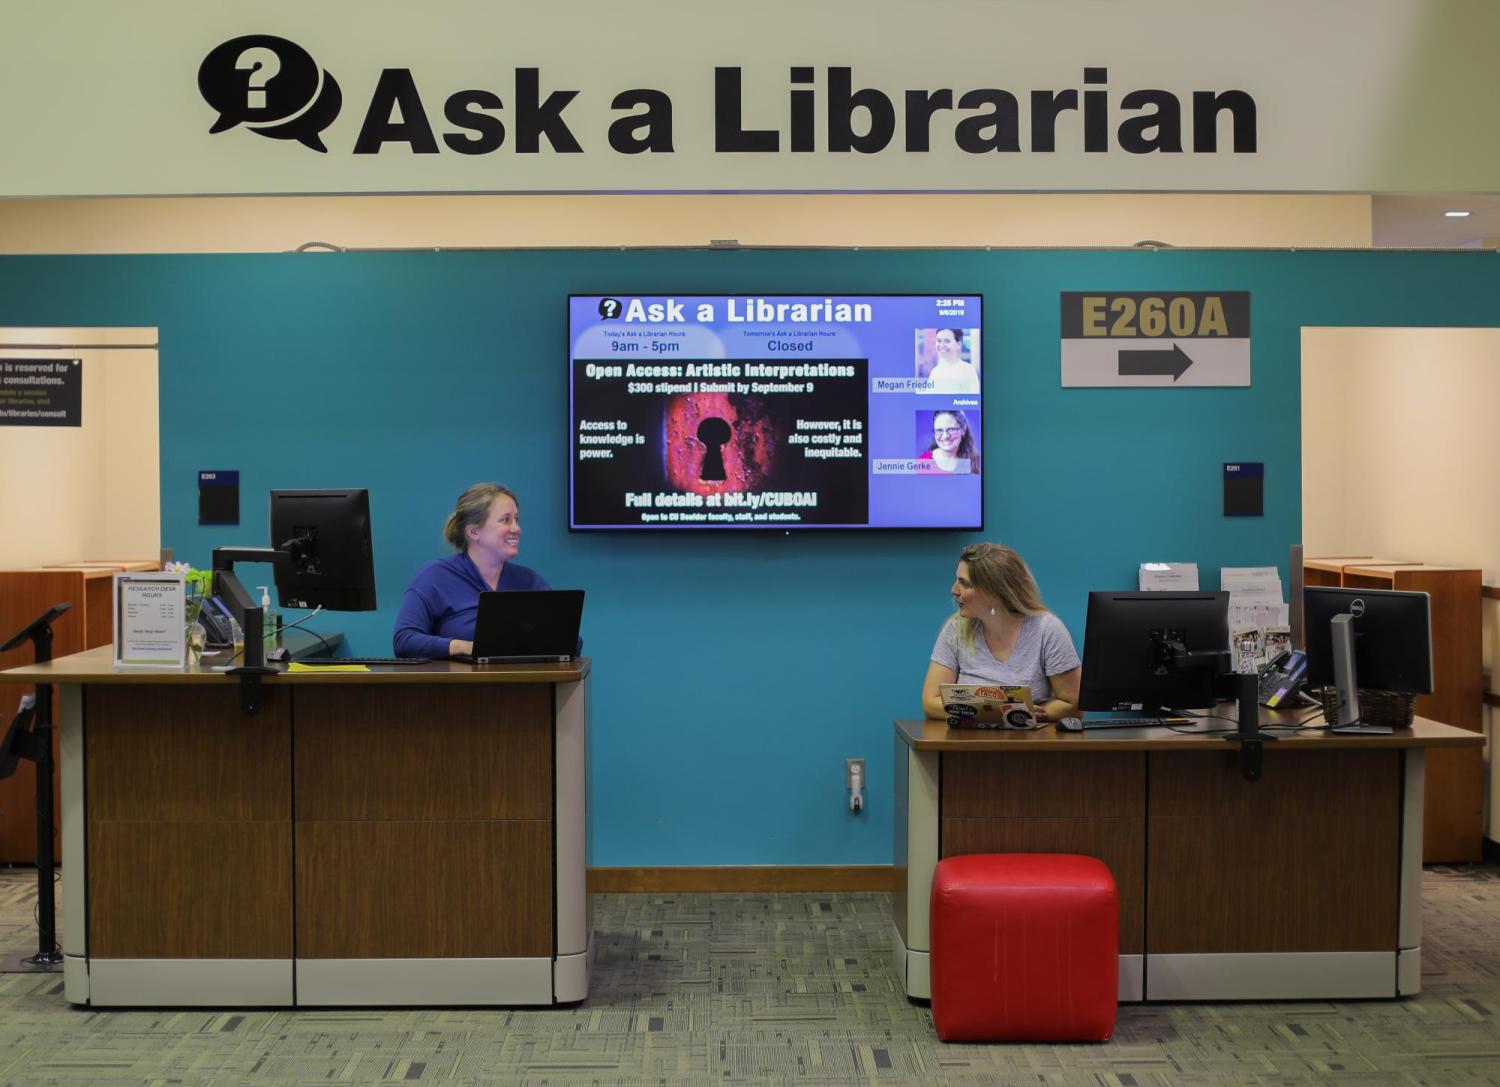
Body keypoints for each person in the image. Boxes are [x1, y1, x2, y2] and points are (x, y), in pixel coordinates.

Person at [922, 542, 1082, 724]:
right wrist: (1003, 711)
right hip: (965, 747)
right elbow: (931, 702)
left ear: (995, 592)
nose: (954, 590)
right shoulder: (955, 628)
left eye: (964, 584)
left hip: (1029, 746)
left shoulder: (1047, 629)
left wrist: (1024, 714)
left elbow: (1073, 705)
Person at [393, 483, 550, 658]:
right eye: (506, 520)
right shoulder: (434, 577)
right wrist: (465, 647)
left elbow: (571, 641)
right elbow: (404, 641)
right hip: (458, 684)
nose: (516, 529)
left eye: (517, 519)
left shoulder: (530, 582)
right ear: (474, 531)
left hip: (527, 684)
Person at [923, 328, 980, 393]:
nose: (941, 345)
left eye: (947, 341)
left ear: (958, 345)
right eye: (939, 341)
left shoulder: (968, 370)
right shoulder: (935, 371)